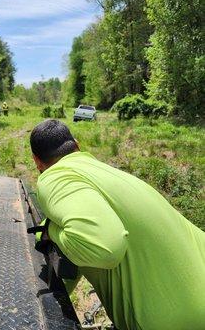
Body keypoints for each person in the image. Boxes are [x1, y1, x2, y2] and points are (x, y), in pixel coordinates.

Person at [30, 119, 205, 330]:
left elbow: (102, 247)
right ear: (77, 145)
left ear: (37, 161)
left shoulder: (55, 176)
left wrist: (51, 231)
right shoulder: (116, 176)